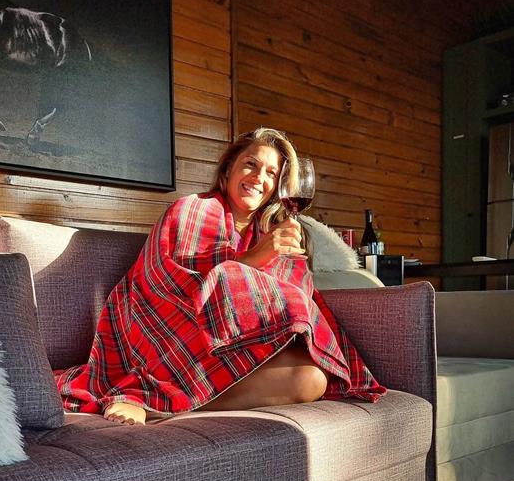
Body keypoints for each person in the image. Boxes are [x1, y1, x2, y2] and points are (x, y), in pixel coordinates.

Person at [55, 127, 385, 424]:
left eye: (271, 173)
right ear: (228, 169)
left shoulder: (274, 232)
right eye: (251, 164)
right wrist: (254, 259)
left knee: (312, 379)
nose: (259, 178)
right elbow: (165, 288)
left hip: (241, 347)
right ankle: (149, 398)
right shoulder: (189, 211)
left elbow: (295, 300)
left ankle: (174, 403)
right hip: (181, 343)